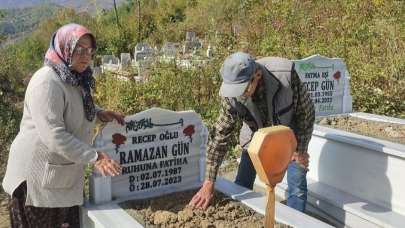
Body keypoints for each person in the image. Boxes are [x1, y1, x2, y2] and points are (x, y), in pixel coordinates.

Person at [2, 23, 124, 228]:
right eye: (79, 49)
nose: (86, 56)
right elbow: (54, 134)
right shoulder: (47, 81)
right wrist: (96, 156)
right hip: (36, 179)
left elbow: (72, 108)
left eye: (90, 50)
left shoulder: (74, 77)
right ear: (64, 47)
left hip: (60, 174)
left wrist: (98, 113)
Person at [190, 52, 315, 212]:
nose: (238, 94)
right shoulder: (231, 93)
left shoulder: (286, 75)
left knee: (296, 183)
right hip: (254, 137)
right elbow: (220, 134)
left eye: (242, 88)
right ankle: (240, 214)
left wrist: (300, 150)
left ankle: (295, 219)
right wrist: (209, 182)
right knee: (242, 183)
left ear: (257, 75)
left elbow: (306, 112)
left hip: (289, 137)